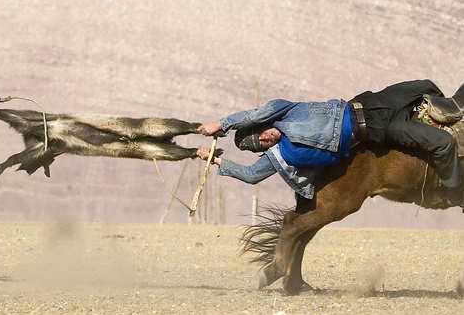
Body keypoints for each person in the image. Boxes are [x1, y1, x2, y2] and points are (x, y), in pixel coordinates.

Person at [196, 79, 460, 200]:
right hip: (381, 128)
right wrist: (216, 161)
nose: (265, 138)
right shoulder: (281, 154)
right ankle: (451, 189)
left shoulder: (284, 110)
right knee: (443, 144)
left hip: (370, 102)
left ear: (262, 126)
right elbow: (251, 175)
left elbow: (257, 112)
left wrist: (221, 124)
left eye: (260, 133)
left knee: (426, 85)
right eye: (262, 144)